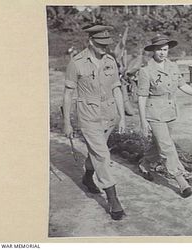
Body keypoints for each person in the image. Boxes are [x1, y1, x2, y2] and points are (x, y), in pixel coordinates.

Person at [63, 24, 126, 220]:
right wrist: (67, 122)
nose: (104, 49)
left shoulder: (110, 61)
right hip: (88, 116)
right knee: (102, 155)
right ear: (90, 41)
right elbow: (68, 94)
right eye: (100, 45)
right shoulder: (77, 63)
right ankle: (113, 200)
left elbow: (116, 88)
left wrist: (122, 116)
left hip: (109, 115)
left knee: (96, 153)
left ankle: (87, 176)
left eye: (107, 45)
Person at [137, 34, 192, 198]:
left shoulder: (172, 67)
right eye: (159, 50)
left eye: (165, 49)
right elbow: (141, 97)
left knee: (159, 144)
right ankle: (181, 179)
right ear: (153, 51)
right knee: (167, 147)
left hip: (170, 112)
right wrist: (142, 121)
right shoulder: (146, 71)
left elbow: (182, 85)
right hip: (154, 112)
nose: (162, 53)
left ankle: (145, 164)